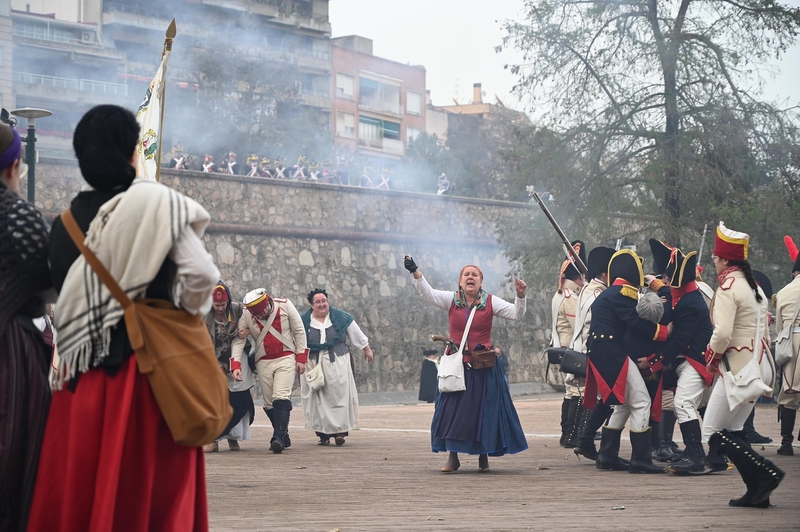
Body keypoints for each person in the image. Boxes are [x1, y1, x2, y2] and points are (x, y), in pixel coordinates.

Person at [28, 104, 219, 532]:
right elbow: (203, 275)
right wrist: (180, 316)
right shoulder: (157, 205)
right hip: (150, 379)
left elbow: (57, 294)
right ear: (133, 152)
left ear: (82, 159)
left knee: (80, 498)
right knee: (152, 503)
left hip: (80, 385)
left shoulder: (61, 227)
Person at [405, 255, 528, 473]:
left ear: (481, 281)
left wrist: (520, 296)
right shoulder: (451, 300)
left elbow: (516, 314)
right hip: (457, 367)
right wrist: (415, 271)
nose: (470, 277)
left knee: (484, 412)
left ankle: (484, 457)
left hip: (484, 367)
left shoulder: (490, 302)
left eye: (475, 275)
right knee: (451, 411)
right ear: (460, 281)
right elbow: (428, 293)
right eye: (466, 274)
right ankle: (453, 457)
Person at [703, 222, 784, 507]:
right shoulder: (755, 288)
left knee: (710, 432)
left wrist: (711, 359)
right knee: (735, 430)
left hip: (737, 369)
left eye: (715, 257)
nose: (713, 262)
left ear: (725, 259)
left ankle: (765, 474)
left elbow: (722, 333)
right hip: (757, 365)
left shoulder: (728, 286)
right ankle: (757, 492)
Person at [0, 123, 54, 532]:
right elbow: (48, 284)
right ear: (14, 165)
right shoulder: (20, 216)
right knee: (14, 460)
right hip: (11, 355)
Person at [584, 249, 671, 474]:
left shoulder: (610, 292)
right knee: (642, 402)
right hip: (612, 351)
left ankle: (607, 455)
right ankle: (641, 458)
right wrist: (664, 331)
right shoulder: (622, 293)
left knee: (623, 403)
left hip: (604, 350)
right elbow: (636, 323)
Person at [644, 241, 714, 475]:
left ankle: (695, 457)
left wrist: (653, 362)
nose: (664, 279)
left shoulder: (690, 303)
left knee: (683, 404)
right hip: (689, 362)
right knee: (697, 406)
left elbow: (677, 341)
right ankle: (705, 454)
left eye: (667, 276)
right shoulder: (684, 297)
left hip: (695, 361)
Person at [231, 288, 308, 453]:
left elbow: (299, 331)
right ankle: (283, 434)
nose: (260, 316)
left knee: (280, 396)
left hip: (286, 357)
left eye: (262, 312)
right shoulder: (246, 315)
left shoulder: (285, 305)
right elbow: (239, 341)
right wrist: (236, 365)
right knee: (268, 403)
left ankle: (278, 438)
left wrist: (301, 358)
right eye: (256, 315)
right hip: (263, 361)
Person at [300, 289, 374, 446]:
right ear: (311, 305)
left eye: (324, 301)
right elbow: (297, 340)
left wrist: (366, 349)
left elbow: (356, 333)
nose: (322, 304)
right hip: (313, 363)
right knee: (317, 399)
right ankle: (323, 434)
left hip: (337, 362)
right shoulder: (304, 321)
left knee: (339, 394)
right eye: (318, 302)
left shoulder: (341, 318)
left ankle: (340, 432)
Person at [571, 246, 615, 460]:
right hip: (597, 350)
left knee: (605, 398)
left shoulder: (590, 289)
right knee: (610, 398)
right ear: (606, 273)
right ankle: (588, 440)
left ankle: (585, 439)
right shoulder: (598, 292)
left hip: (592, 349)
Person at [204, 281, 255, 453]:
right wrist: (217, 365)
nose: (220, 308)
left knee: (239, 397)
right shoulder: (204, 316)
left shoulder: (238, 309)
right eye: (217, 305)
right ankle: (214, 438)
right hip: (214, 361)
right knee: (218, 401)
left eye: (223, 305)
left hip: (237, 357)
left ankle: (233, 438)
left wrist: (247, 329)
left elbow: (254, 317)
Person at [550, 241, 586, 448]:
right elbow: (579, 328)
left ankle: (568, 434)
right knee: (576, 392)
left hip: (564, 350)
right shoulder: (571, 297)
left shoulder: (560, 294)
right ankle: (573, 434)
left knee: (570, 392)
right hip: (572, 351)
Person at [775, 235, 800, 456]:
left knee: (789, 394)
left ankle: (786, 443)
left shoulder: (783, 293)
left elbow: (780, 328)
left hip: (792, 344)